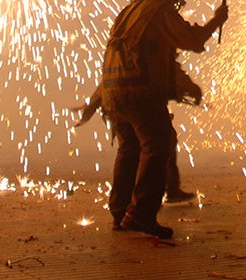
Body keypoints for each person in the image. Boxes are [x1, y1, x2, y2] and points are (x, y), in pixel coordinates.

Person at [100, 0, 227, 239]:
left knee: (129, 149)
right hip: (141, 93)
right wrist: (217, 20)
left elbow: (155, 55)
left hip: (114, 93)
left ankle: (119, 212)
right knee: (157, 146)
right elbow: (192, 40)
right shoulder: (159, 11)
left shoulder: (131, 10)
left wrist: (184, 85)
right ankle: (141, 214)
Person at [75, 59, 203, 204]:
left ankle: (120, 207)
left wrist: (92, 103)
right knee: (158, 145)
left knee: (128, 151)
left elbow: (109, 79)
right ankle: (144, 207)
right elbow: (168, 67)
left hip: (115, 101)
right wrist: (193, 89)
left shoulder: (120, 42)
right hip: (140, 100)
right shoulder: (152, 37)